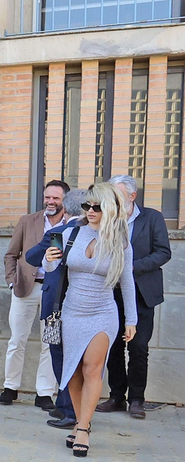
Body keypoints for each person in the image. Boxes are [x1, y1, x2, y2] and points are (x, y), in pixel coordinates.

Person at [42, 182, 136, 457]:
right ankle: (81, 421)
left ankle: (82, 427)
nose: (91, 211)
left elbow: (127, 281)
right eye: (87, 206)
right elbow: (50, 267)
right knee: (72, 370)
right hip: (72, 310)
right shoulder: (67, 232)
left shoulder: (121, 240)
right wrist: (48, 259)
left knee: (92, 368)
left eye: (97, 206)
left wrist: (131, 319)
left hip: (103, 312)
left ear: (110, 208)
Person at [94, 174, 171, 419]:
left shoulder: (152, 218)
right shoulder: (107, 218)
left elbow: (163, 253)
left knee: (138, 348)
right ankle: (117, 396)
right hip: (110, 293)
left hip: (141, 294)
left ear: (132, 196)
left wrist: (130, 267)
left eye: (118, 195)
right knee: (113, 346)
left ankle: (137, 399)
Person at [0, 180, 70, 408]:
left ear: (65, 201)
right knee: (16, 340)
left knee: (49, 341)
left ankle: (44, 393)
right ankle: (10, 387)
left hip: (55, 291)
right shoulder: (27, 221)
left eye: (56, 198)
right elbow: (11, 254)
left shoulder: (72, 225)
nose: (50, 202)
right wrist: (12, 281)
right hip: (25, 288)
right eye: (47, 197)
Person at [24, 187, 87, 429]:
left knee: (58, 356)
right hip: (83, 307)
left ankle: (69, 410)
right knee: (79, 359)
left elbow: (31, 257)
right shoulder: (94, 233)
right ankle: (69, 408)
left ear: (66, 208)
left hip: (55, 307)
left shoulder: (61, 232)